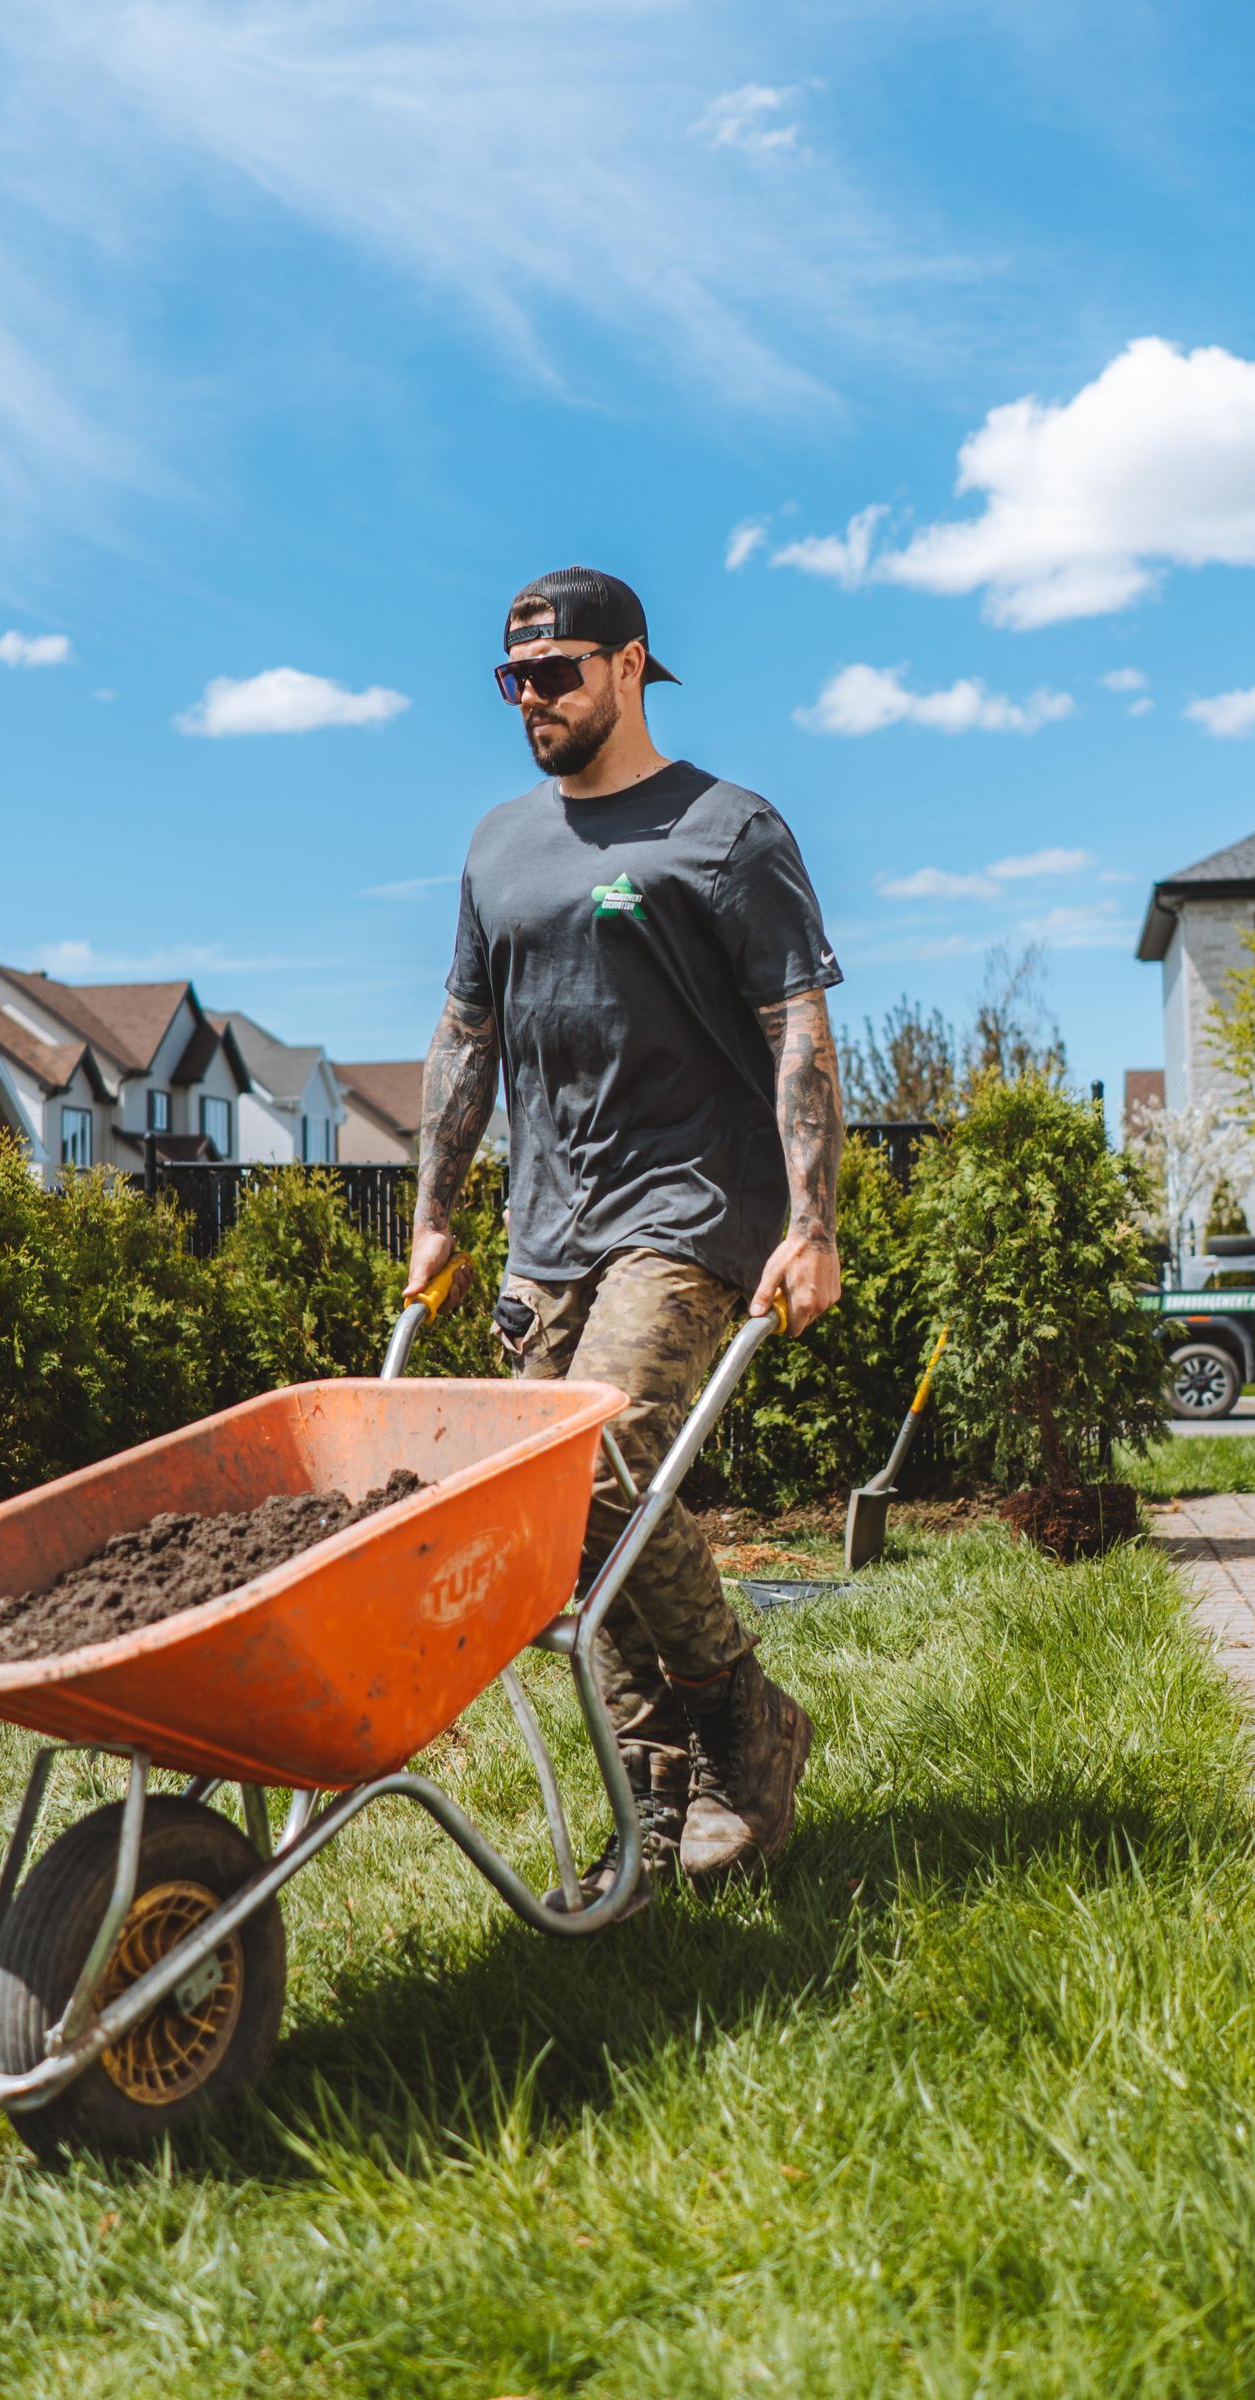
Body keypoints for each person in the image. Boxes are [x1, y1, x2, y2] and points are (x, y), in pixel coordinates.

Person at [404, 565, 844, 1907]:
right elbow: (465, 1036)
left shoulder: (727, 829)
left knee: (604, 1462)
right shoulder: (497, 846)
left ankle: (738, 1723)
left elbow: (798, 1030)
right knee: (545, 1526)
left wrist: (815, 1219)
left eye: (558, 672)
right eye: (512, 679)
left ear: (633, 665)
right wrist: (432, 1212)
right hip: (550, 1228)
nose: (532, 698)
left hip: (690, 1209)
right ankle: (661, 1803)